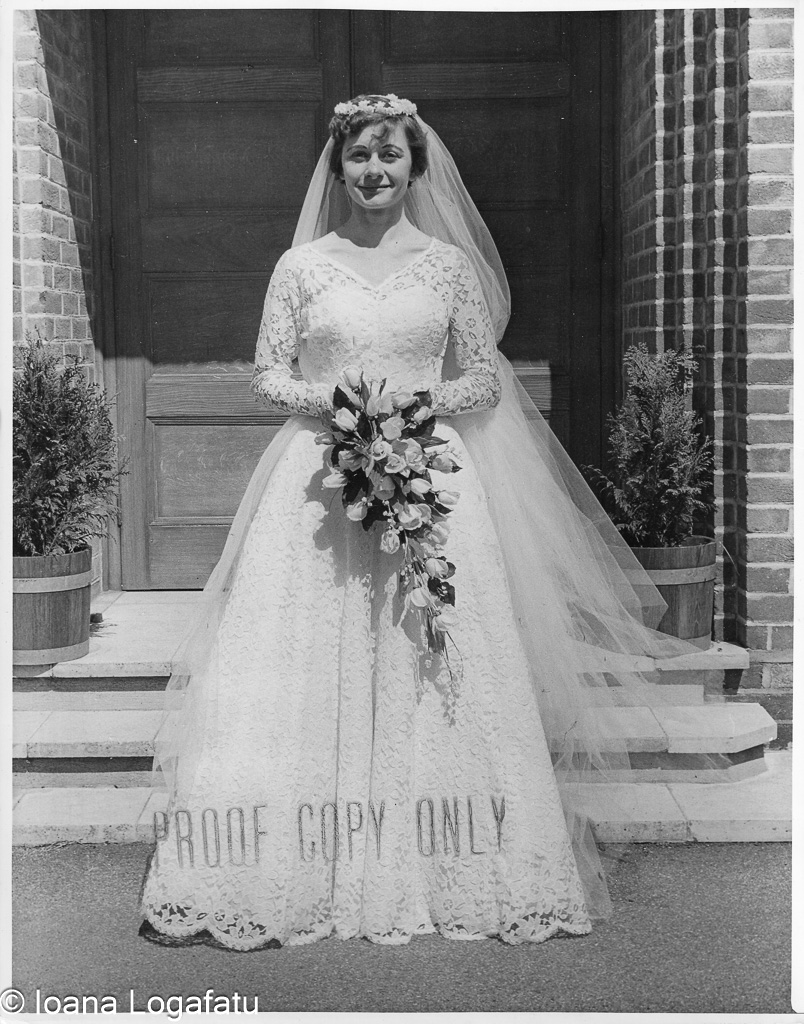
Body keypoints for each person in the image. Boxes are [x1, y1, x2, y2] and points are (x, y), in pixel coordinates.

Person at [138, 94, 697, 950]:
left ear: (414, 167)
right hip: (319, 486)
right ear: (338, 165)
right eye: (359, 156)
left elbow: (482, 379)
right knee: (304, 653)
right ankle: (288, 862)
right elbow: (265, 375)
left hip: (432, 479)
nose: (374, 171)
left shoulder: (445, 268)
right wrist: (346, 407)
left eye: (390, 156)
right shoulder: (301, 267)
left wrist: (410, 408)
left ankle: (451, 857)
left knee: (433, 653)